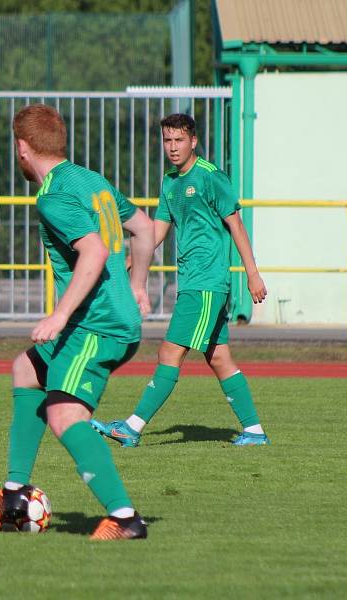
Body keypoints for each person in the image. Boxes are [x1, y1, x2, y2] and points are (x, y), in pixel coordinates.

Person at [0, 104, 156, 541]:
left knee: (64, 414)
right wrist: (139, 285)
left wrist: (59, 314)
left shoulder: (52, 196)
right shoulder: (90, 180)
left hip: (97, 324)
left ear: (22, 148)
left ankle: (125, 518)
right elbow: (143, 228)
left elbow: (95, 251)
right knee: (26, 370)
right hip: (98, 318)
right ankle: (13, 497)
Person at [91, 113, 270, 447]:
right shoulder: (170, 181)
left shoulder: (210, 177)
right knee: (219, 358)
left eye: (178, 140)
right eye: (167, 140)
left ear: (193, 141)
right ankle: (255, 431)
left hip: (207, 283)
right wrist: (130, 261)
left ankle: (131, 427)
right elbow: (157, 230)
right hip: (193, 282)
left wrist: (253, 274)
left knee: (169, 352)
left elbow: (237, 226)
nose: (172, 148)